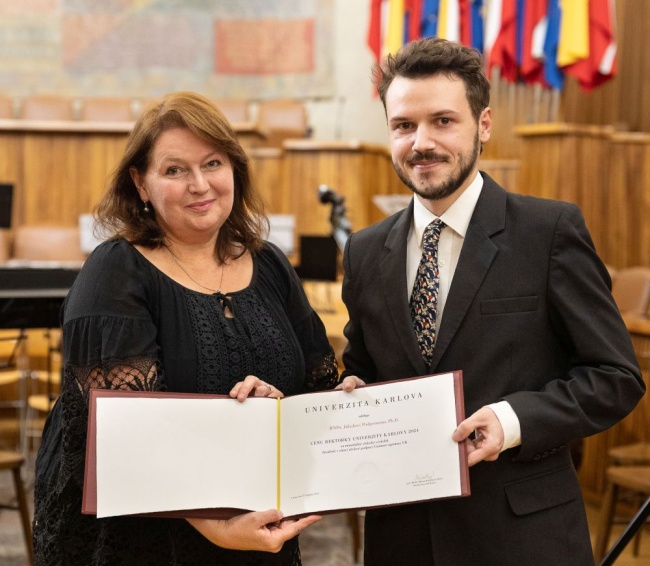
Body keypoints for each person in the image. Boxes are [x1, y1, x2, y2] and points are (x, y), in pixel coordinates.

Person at [336, 38, 646, 565]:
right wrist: (352, 393)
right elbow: (366, 370)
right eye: (403, 126)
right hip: (403, 537)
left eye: (443, 121)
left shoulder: (549, 231)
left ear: (483, 125)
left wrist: (512, 420)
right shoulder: (365, 250)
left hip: (521, 537)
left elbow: (617, 376)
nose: (421, 143)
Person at [33, 91, 340, 565]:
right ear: (140, 184)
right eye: (175, 170)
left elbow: (315, 385)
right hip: (146, 543)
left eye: (213, 163)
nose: (200, 185)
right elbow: (118, 438)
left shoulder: (271, 264)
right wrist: (217, 528)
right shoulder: (116, 272)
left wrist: (329, 404)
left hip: (261, 534)